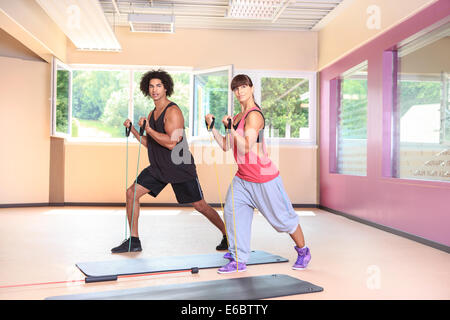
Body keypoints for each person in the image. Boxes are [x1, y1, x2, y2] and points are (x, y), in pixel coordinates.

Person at [111, 69, 228, 253]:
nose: (154, 90)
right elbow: (152, 145)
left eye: (158, 86)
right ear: (147, 89)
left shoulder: (173, 112)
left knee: (200, 205)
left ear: (166, 88)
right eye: (151, 86)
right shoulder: (152, 114)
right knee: (131, 193)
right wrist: (134, 130)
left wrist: (148, 130)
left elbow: (172, 143)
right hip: (159, 168)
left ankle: (227, 235)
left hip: (179, 167)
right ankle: (134, 240)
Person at [205, 74, 311, 273]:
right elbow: (227, 146)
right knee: (233, 214)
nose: (240, 91)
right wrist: (213, 129)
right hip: (243, 178)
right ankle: (238, 259)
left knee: (283, 220)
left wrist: (231, 129)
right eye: (236, 89)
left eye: (243, 87)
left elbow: (245, 147)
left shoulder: (254, 115)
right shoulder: (237, 117)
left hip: (264, 178)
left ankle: (304, 251)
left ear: (251, 88)